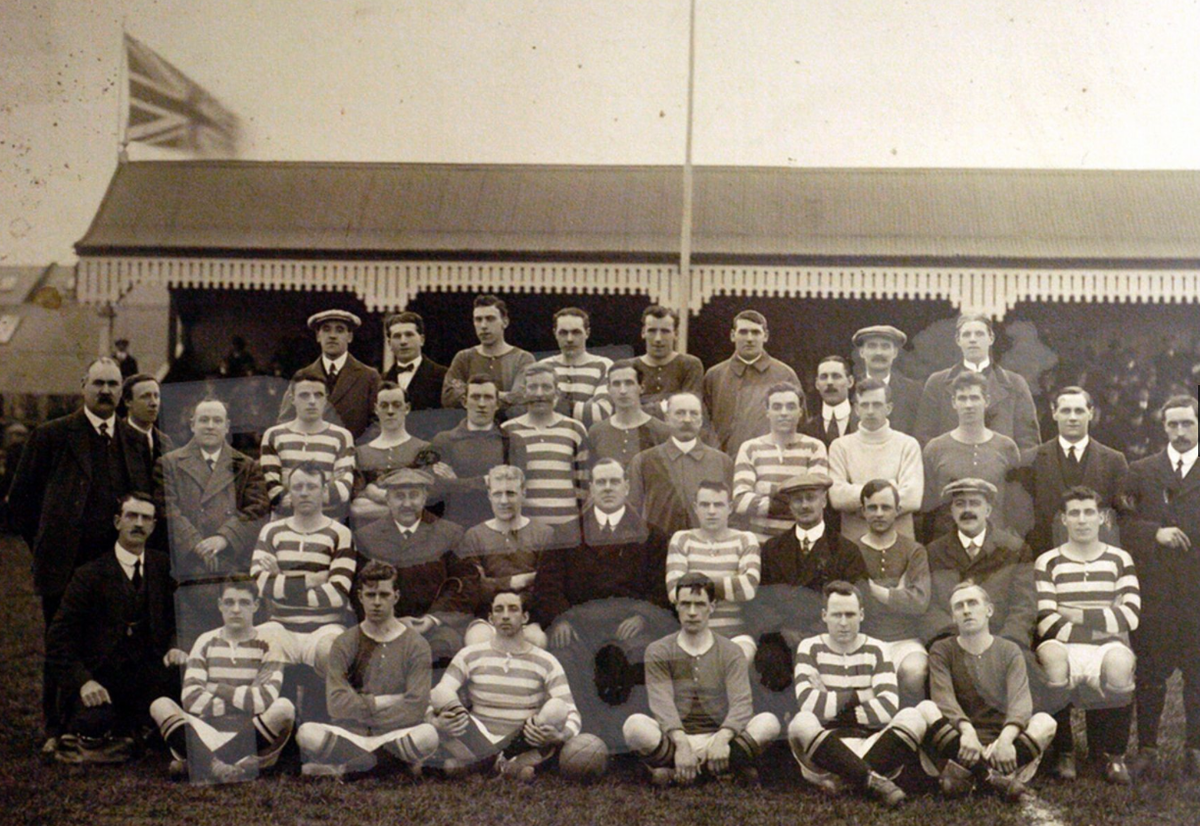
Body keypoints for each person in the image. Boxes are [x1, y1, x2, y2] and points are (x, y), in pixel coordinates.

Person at [6, 357, 130, 753]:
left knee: (107, 642)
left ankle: (101, 724)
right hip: (64, 564)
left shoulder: (129, 436)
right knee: (61, 642)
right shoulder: (52, 434)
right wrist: (46, 544)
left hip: (110, 563)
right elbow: (21, 500)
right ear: (83, 386)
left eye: (113, 384)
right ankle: (56, 727)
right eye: (98, 384)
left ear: (122, 390)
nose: (106, 391)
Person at [532, 458, 672, 740]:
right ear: (591, 488)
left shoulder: (652, 536)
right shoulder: (566, 534)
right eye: (601, 482)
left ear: (627, 487)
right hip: (579, 627)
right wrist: (559, 620)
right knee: (564, 657)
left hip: (628, 626)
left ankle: (629, 741)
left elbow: (662, 588)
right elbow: (547, 586)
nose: (608, 488)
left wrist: (642, 617)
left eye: (614, 481)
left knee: (639, 655)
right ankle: (586, 737)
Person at [46, 494, 187, 764]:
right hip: (102, 679)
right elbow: (58, 638)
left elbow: (180, 617)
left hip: (148, 676)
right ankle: (124, 738)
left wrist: (174, 646)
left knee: (190, 693)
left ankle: (132, 738)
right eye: (131, 516)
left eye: (146, 518)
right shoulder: (89, 574)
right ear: (117, 521)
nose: (138, 524)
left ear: (154, 526)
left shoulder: (163, 566)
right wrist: (84, 681)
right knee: (94, 722)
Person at [623, 573, 781, 785]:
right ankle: (721, 772)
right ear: (676, 605)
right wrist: (681, 745)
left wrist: (723, 738)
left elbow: (741, 704)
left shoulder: (731, 650)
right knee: (634, 727)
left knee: (768, 723)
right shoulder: (658, 650)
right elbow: (662, 704)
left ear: (712, 606)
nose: (692, 612)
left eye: (699, 604)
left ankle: (676, 774)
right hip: (676, 739)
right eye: (685, 604)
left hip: (718, 738)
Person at [785, 581, 926, 807]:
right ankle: (869, 779)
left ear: (861, 614)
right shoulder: (809, 647)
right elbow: (810, 706)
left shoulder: (878, 648)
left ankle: (848, 779)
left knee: (914, 716)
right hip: (823, 751)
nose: (843, 623)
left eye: (850, 614)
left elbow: (888, 708)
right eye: (836, 614)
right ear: (824, 615)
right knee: (802, 722)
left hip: (869, 743)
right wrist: (864, 695)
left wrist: (831, 702)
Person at [1035, 486, 1140, 784]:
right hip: (1064, 645)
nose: (1082, 520)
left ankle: (1115, 756)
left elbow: (1129, 616)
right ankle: (1064, 753)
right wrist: (1102, 623)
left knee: (1120, 662)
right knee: (1052, 655)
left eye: (1089, 512)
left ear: (1102, 518)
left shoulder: (1120, 559)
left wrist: (1075, 613)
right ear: (1064, 519)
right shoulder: (1048, 561)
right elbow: (1047, 621)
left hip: (1106, 647)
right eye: (1075, 513)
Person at [295, 561, 440, 777]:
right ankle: (386, 766)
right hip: (352, 734)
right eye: (371, 595)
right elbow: (337, 705)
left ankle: (346, 769)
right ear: (361, 597)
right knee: (307, 733)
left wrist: (363, 707)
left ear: (396, 596)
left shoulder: (416, 644)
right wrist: (386, 701)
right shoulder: (344, 642)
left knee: (428, 735)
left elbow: (416, 706)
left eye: (384, 595)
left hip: (395, 734)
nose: (377, 602)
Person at [1119, 395, 1200, 778]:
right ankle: (1147, 749)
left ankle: (1195, 750)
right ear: (1163, 426)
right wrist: (1156, 533)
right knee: (1150, 675)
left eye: (1188, 423)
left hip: (1198, 593)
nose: (1181, 432)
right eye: (1173, 425)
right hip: (1156, 592)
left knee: (1198, 675)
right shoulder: (1141, 470)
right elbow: (1120, 522)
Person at [149, 578, 296, 783]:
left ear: (255, 605)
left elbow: (264, 700)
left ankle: (200, 764)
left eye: (244, 603)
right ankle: (217, 766)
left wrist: (215, 688)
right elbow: (191, 698)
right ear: (220, 605)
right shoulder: (205, 641)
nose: (236, 609)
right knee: (160, 705)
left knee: (284, 708)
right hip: (207, 733)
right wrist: (244, 698)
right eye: (229, 602)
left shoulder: (270, 646)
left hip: (252, 738)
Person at [921, 581, 1057, 801]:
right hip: (961, 744)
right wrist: (966, 732)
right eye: (959, 606)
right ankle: (992, 779)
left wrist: (1005, 741)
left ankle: (972, 777)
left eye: (972, 603)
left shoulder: (1009, 649)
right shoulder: (942, 649)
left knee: (1046, 723)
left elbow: (1020, 702)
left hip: (1000, 745)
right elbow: (942, 698)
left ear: (989, 611)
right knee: (925, 708)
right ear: (953, 617)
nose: (966, 610)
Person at [430, 590, 581, 780]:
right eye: (499, 610)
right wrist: (435, 722)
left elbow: (572, 712)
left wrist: (559, 736)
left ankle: (482, 765)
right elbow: (436, 698)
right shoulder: (470, 655)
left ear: (525, 617)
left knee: (557, 707)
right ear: (491, 618)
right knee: (441, 692)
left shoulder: (546, 661)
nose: (506, 616)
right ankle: (506, 765)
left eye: (513, 609)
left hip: (523, 739)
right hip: (477, 736)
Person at [154, 398, 270, 644]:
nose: (210, 426)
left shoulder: (246, 466)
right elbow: (167, 510)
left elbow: (258, 510)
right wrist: (197, 543)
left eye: (217, 420)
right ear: (192, 424)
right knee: (191, 646)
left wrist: (224, 538)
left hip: (232, 566)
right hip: (187, 570)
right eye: (203, 420)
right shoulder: (169, 464)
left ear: (227, 426)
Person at [753, 471, 868, 716]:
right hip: (782, 639)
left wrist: (817, 632)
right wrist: (783, 630)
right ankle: (779, 734)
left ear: (824, 501)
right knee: (769, 662)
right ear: (790, 505)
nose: (804, 505)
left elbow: (860, 599)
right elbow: (759, 601)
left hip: (831, 637)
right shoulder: (773, 549)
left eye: (810, 498)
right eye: (797, 500)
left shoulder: (846, 550)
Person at [353, 468, 475, 667]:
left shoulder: (451, 534)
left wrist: (432, 620)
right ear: (388, 499)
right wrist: (388, 621)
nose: (407, 503)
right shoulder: (367, 537)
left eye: (414, 495)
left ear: (425, 497)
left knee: (444, 647)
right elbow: (359, 589)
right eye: (399, 496)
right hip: (382, 624)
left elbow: (465, 584)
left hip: (435, 628)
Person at [250, 463, 356, 678]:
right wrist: (311, 580)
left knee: (333, 654)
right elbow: (261, 585)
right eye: (297, 487)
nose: (304, 493)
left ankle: (333, 711)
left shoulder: (340, 533)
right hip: (280, 626)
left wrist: (283, 580)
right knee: (252, 650)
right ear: (289, 491)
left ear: (324, 490)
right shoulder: (271, 531)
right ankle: (272, 712)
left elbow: (336, 595)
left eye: (312, 486)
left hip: (325, 628)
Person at [921, 479, 1036, 651]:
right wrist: (954, 642)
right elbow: (929, 608)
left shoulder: (1014, 549)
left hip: (1004, 644)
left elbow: (1024, 606)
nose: (967, 510)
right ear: (952, 511)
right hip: (952, 646)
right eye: (960, 504)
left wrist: (1005, 644)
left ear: (988, 510)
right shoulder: (934, 552)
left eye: (975, 504)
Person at [1016, 386, 1128, 555]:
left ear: (1090, 413)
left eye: (1079, 411)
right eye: (1066, 411)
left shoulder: (1114, 461)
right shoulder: (1031, 460)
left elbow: (1125, 517)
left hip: (1098, 560)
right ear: (1054, 413)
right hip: (1045, 556)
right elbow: (1021, 516)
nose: (1073, 418)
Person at [852, 480, 931, 705]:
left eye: (886, 507)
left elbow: (919, 602)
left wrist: (874, 590)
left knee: (915, 672)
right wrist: (898, 592)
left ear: (897, 510)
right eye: (872, 507)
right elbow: (851, 602)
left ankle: (912, 726)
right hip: (863, 640)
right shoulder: (851, 550)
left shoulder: (914, 550)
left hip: (905, 639)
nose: (879, 513)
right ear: (862, 511)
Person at [914, 313, 1040, 451]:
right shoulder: (937, 383)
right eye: (967, 335)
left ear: (991, 338)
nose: (972, 340)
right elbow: (924, 438)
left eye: (979, 334)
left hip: (1003, 468)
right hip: (952, 468)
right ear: (958, 340)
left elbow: (1028, 442)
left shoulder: (1014, 384)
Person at [458, 465, 552, 648]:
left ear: (523, 493)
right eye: (497, 494)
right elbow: (475, 587)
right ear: (489, 496)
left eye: (510, 493)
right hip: (488, 617)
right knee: (477, 640)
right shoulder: (475, 536)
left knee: (536, 640)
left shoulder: (544, 534)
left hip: (528, 618)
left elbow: (546, 585)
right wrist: (514, 582)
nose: (503, 501)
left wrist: (518, 606)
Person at [665, 482, 761, 661]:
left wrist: (695, 584)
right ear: (695, 508)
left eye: (718, 505)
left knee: (740, 657)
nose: (711, 511)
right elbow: (675, 592)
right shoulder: (682, 539)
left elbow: (748, 588)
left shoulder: (746, 540)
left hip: (734, 635)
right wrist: (729, 584)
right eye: (705, 505)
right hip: (691, 632)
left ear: (730, 508)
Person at [921, 372, 1021, 538]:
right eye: (962, 398)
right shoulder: (935, 449)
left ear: (986, 401)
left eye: (974, 398)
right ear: (954, 402)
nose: (968, 405)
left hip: (995, 546)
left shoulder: (1006, 448)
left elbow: (1016, 506)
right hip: (947, 545)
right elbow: (928, 506)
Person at [627, 392, 734, 538]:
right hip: (658, 550)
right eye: (680, 413)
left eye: (694, 414)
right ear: (666, 418)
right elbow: (632, 511)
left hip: (707, 551)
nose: (687, 419)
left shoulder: (722, 462)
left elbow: (731, 515)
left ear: (701, 420)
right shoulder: (644, 461)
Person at [829, 378, 924, 542]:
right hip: (855, 543)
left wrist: (861, 501)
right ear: (857, 409)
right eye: (865, 405)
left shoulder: (907, 444)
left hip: (899, 543)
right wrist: (891, 487)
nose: (871, 411)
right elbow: (837, 497)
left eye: (877, 404)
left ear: (889, 408)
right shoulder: (840, 446)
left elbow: (913, 498)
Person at [732, 381, 828, 542]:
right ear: (767, 412)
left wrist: (764, 488)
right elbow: (740, 502)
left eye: (791, 407)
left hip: (801, 543)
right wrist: (792, 497)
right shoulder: (750, 448)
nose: (784, 413)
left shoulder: (814, 447)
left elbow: (813, 502)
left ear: (800, 412)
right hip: (760, 543)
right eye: (777, 407)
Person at [501, 362, 590, 528]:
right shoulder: (507, 431)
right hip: (524, 530)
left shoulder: (575, 429)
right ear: (523, 392)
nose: (539, 394)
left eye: (546, 387)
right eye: (533, 387)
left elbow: (584, 484)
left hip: (567, 528)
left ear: (556, 392)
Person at [702, 310, 800, 457]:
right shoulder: (715, 375)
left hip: (771, 461)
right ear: (732, 335)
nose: (749, 338)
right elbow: (703, 422)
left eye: (755, 332)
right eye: (743, 332)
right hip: (723, 461)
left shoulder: (784, 374)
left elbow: (799, 421)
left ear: (765, 336)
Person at [428, 375, 518, 529]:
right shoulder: (444, 440)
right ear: (464, 402)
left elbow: (515, 489)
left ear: (497, 404)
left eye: (488, 397)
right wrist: (485, 481)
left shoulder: (512, 442)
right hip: (455, 528)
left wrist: (455, 483)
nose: (481, 404)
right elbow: (434, 490)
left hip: (499, 530)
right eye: (475, 397)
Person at [260, 372, 355, 517]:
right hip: (284, 523)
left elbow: (342, 490)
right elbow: (272, 488)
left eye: (318, 395)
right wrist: (317, 496)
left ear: (325, 400)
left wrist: (297, 499)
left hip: (328, 523)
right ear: (292, 399)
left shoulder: (341, 436)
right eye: (304, 395)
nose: (312, 401)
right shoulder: (274, 435)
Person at [278, 309, 382, 440]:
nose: (332, 335)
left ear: (349, 337)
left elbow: (379, 422)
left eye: (339, 330)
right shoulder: (303, 376)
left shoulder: (369, 376)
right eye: (326, 329)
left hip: (354, 456)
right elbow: (286, 421)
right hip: (311, 455)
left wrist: (356, 451)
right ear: (318, 336)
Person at [349, 382, 437, 526]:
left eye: (396, 405)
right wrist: (404, 508)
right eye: (384, 405)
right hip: (369, 536)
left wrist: (374, 493)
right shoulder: (361, 453)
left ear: (407, 408)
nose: (390, 411)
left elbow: (424, 504)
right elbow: (356, 508)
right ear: (376, 409)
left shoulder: (424, 449)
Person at [518, 307, 613, 428]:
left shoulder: (603, 365)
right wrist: (585, 406)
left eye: (576, 332)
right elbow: (531, 411)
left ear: (587, 333)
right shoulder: (543, 367)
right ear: (555, 334)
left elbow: (600, 414)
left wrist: (555, 403)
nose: (569, 339)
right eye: (563, 333)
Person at [441, 295, 535, 411]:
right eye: (478, 319)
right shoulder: (464, 358)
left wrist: (471, 395)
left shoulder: (523, 358)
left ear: (505, 322)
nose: (483, 326)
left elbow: (521, 399)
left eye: (490, 319)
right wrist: (503, 396)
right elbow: (448, 396)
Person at [587, 359, 672, 469]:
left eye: (629, 383)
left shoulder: (662, 432)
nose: (623, 391)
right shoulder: (596, 432)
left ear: (641, 387)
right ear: (608, 389)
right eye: (616, 384)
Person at [117, 374, 174, 521]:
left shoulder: (166, 443)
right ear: (128, 401)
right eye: (146, 397)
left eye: (157, 396)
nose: (154, 403)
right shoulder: (115, 439)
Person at [634, 304, 704, 416]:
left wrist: (644, 408)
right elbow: (626, 411)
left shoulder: (690, 365)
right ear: (643, 333)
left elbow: (688, 408)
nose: (658, 338)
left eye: (665, 331)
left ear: (675, 334)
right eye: (652, 331)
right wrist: (665, 406)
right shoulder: (630, 367)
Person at [853, 325, 922, 437]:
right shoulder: (850, 389)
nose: (879, 353)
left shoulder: (914, 391)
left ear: (894, 353)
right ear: (861, 352)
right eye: (872, 346)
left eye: (885, 347)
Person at [381, 311, 448, 415]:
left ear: (422, 340)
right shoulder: (382, 380)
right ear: (389, 343)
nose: (403, 341)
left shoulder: (442, 376)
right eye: (397, 336)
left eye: (409, 335)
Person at [802, 355, 857, 447]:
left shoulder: (863, 423)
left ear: (850, 381)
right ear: (817, 384)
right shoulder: (807, 430)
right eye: (824, 377)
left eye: (836, 376)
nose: (829, 382)